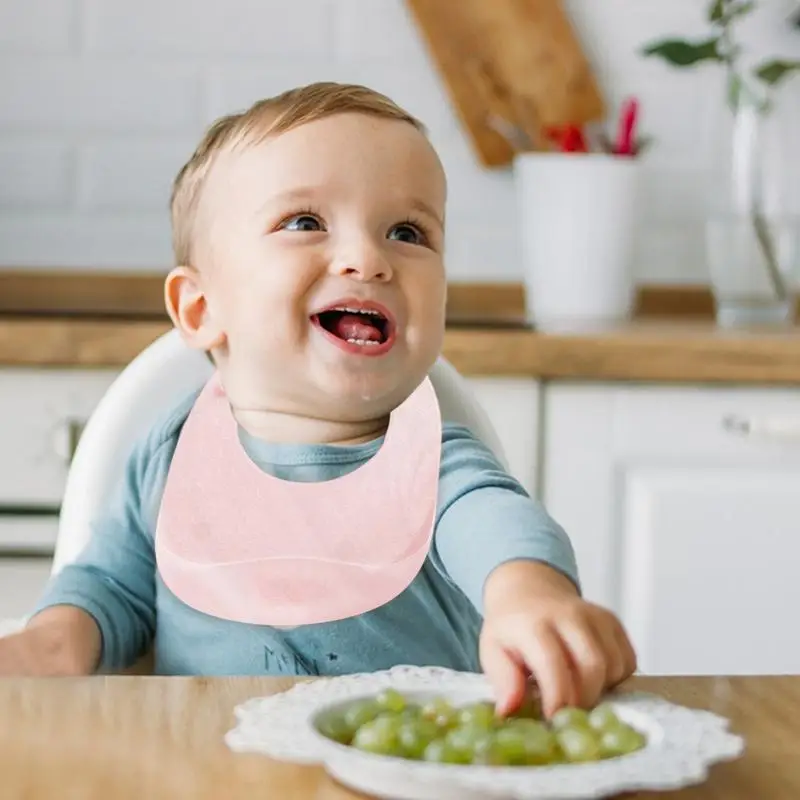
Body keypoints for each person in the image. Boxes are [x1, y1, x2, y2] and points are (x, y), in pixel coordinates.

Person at [0, 82, 636, 718]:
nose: (368, 259)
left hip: (395, 771)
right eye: (304, 223)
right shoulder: (168, 458)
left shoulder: (429, 458)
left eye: (408, 232)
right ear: (200, 308)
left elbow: (495, 523)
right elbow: (110, 589)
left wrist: (529, 594)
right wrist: (50, 644)